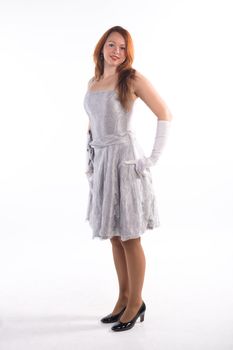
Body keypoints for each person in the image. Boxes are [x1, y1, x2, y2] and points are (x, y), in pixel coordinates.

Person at [83, 25, 173, 332]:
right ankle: (122, 298)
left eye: (122, 47)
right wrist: (91, 166)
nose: (116, 51)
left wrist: (151, 159)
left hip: (124, 162)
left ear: (127, 52)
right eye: (111, 45)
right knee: (114, 235)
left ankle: (136, 302)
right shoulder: (94, 82)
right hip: (104, 164)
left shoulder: (130, 79)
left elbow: (164, 112)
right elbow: (93, 126)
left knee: (130, 236)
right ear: (102, 47)